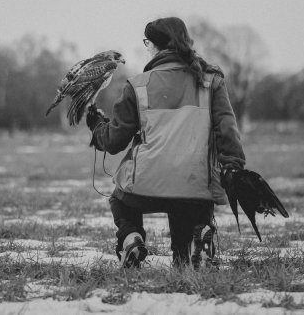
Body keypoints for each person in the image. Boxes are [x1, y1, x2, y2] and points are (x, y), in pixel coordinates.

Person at [86, 17, 246, 269]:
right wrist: (233, 167)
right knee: (188, 222)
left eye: (147, 42)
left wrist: (97, 126)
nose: (146, 47)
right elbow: (227, 130)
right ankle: (197, 240)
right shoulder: (211, 81)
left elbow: (115, 141)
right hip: (195, 187)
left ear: (155, 45)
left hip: (145, 188)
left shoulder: (138, 85)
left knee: (119, 197)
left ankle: (131, 238)